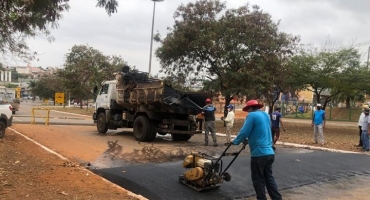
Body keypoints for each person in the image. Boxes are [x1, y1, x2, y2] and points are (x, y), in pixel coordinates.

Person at [232, 100, 282, 200]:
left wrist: (235, 141)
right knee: (269, 178)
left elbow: (244, 131)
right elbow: (260, 130)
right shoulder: (266, 115)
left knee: (258, 179)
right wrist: (249, 138)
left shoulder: (251, 116)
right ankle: (277, 198)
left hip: (259, 154)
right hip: (270, 152)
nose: (248, 112)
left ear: (250, 108)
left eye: (248, 110)